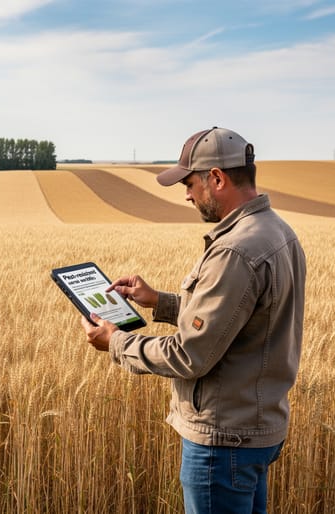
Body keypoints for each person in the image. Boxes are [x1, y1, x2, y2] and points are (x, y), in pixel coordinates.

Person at [81, 127, 306, 514]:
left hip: (222, 440)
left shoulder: (235, 250)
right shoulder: (279, 233)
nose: (186, 194)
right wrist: (160, 302)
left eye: (189, 183)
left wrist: (115, 342)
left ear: (216, 178)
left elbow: (191, 354)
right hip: (255, 428)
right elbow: (240, 319)